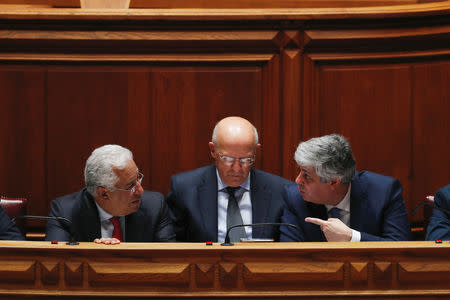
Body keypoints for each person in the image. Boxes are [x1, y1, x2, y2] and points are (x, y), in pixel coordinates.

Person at [167, 116, 292, 243]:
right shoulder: (185, 189)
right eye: (228, 159)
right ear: (213, 150)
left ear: (256, 151)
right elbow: (173, 247)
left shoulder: (281, 191)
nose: (237, 169)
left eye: (246, 160)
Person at [281, 134, 411, 242]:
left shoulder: (383, 192)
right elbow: (290, 255)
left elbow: (401, 247)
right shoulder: (295, 198)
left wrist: (352, 237)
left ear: (333, 182)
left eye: (307, 176)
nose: (298, 180)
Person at [45, 144, 175, 244]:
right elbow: (53, 264)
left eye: (138, 178)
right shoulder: (65, 213)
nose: (140, 190)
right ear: (104, 194)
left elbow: (171, 261)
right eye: (131, 186)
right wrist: (96, 254)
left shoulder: (155, 206)